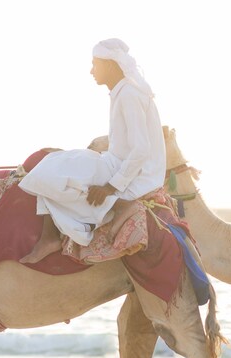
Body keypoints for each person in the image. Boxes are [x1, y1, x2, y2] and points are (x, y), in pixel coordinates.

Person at [18, 38, 165, 264]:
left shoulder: (129, 95)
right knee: (55, 161)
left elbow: (141, 149)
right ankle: (51, 236)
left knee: (51, 172)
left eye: (95, 64)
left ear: (108, 65)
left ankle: (54, 236)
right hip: (119, 164)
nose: (91, 71)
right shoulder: (124, 91)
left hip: (137, 176)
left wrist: (111, 187)